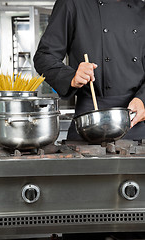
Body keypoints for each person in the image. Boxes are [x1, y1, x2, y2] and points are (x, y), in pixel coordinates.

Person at [34, 0, 145, 141]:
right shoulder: (72, 3)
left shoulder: (142, 9)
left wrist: (143, 101)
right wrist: (71, 77)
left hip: (137, 125)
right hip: (90, 125)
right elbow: (44, 57)